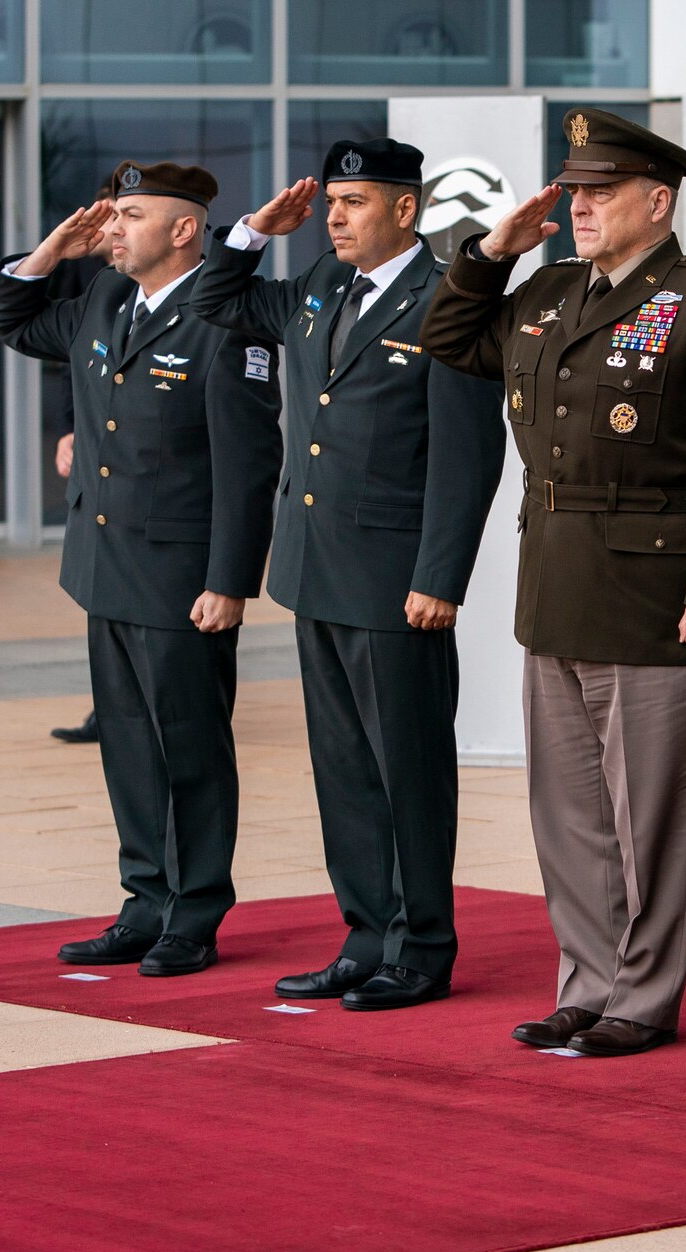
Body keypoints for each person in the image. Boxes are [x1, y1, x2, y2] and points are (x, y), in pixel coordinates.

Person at [423, 107, 686, 1055]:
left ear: (658, 201)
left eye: (601, 192)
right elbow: (449, 337)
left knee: (651, 815)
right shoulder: (545, 292)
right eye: (574, 193)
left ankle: (644, 997)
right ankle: (586, 982)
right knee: (571, 815)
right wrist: (490, 248)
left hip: (660, 599)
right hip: (558, 586)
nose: (579, 208)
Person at [191, 139, 506, 1012]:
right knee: (344, 768)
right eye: (330, 201)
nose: (333, 216)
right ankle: (366, 936)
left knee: (407, 769)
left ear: (406, 209)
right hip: (314, 568)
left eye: (354, 201)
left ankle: (422, 947)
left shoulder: (447, 300)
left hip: (395, 577)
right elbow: (216, 299)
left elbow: (468, 455)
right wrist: (256, 230)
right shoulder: (317, 286)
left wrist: (440, 574)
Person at [0, 162, 282, 977]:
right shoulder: (104, 301)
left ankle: (194, 913)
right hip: (104, 567)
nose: (111, 229)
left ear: (185, 230)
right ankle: (144, 900)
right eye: (111, 217)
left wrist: (229, 580)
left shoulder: (225, 317)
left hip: (181, 577)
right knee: (126, 745)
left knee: (188, 748)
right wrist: (54, 248)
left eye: (130, 216)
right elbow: (9, 319)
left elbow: (250, 464)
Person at [46, 185, 115, 748]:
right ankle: (107, 709)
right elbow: (72, 362)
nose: (114, 230)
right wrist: (69, 427)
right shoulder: (94, 285)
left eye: (127, 216)